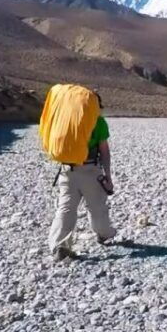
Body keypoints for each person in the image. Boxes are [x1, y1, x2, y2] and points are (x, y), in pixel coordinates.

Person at [48, 93, 117, 261]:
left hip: (66, 170)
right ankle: (104, 234)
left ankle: (59, 245)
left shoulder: (66, 120)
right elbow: (104, 151)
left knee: (65, 208)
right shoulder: (98, 122)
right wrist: (108, 176)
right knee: (96, 206)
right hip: (90, 170)